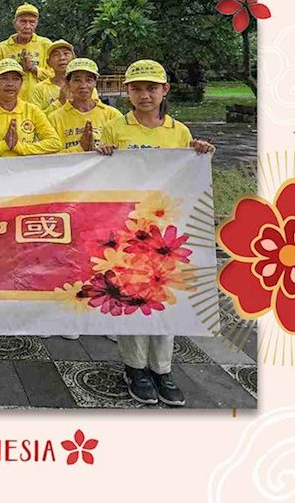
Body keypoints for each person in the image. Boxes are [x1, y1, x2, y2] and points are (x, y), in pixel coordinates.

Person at [96, 59, 215, 408]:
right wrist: (101, 154)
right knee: (132, 296)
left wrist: (199, 153)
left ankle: (162, 369)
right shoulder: (114, 129)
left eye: (151, 88)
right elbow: (101, 177)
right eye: (136, 89)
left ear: (165, 90)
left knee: (165, 296)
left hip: (167, 233)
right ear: (127, 93)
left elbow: (185, 174)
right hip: (128, 229)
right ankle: (135, 368)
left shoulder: (178, 132)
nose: (144, 95)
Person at [0, 59, 62, 158]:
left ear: (21, 83)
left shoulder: (32, 110)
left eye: (15, 79)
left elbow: (55, 143)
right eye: (4, 78)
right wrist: (3, 145)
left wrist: (20, 148)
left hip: (26, 167)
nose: (10, 84)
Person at [47, 58, 121, 153]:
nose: (83, 85)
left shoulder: (112, 115)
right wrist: (81, 148)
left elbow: (124, 149)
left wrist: (108, 148)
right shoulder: (54, 119)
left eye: (89, 80)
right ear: (67, 83)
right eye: (77, 80)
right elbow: (49, 157)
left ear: (95, 83)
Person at [0, 3, 53, 102]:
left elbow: (57, 77)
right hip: (11, 104)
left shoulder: (46, 44)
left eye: (32, 22)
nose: (27, 26)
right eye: (23, 21)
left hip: (40, 103)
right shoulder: (2, 48)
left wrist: (33, 69)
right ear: (15, 23)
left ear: (37, 24)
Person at [30, 39, 96, 113]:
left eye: (66, 54)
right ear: (48, 62)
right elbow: (35, 118)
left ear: (74, 59)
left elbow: (93, 113)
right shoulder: (39, 89)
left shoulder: (86, 87)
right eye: (56, 55)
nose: (62, 58)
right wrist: (59, 102)